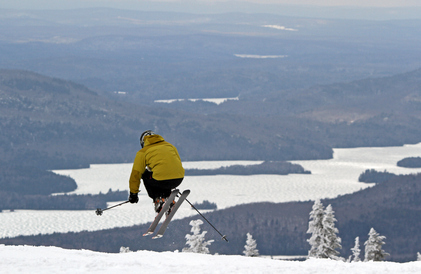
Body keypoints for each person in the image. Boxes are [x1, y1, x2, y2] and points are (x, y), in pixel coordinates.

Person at [128, 130, 185, 213]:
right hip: (178, 179)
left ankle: (158, 199)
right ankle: (168, 198)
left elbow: (136, 174)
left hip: (160, 181)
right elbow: (175, 163)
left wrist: (133, 194)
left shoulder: (143, 152)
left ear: (143, 142)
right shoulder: (170, 146)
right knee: (162, 174)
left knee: (146, 174)